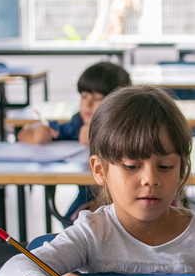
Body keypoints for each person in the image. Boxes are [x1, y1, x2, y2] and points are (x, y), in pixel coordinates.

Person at [0, 85, 195, 276]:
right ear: (100, 170)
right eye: (132, 166)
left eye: (165, 166)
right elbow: (13, 269)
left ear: (181, 169)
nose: (151, 179)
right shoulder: (92, 233)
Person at [18, 61, 131, 219]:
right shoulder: (77, 124)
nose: (88, 104)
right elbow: (23, 134)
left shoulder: (130, 127)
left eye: (98, 98)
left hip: (127, 198)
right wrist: (36, 135)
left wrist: (96, 137)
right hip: (88, 199)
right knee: (82, 220)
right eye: (84, 96)